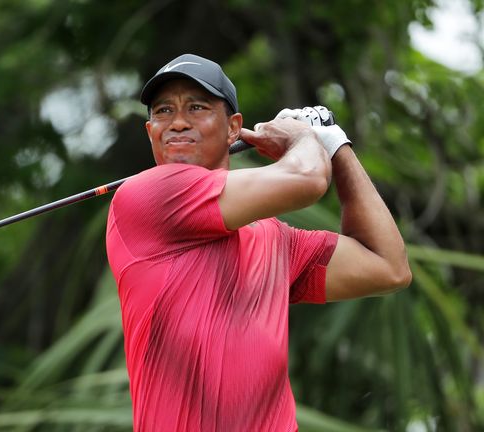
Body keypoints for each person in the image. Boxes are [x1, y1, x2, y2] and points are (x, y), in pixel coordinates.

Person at [105, 53, 412, 431]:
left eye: (196, 107)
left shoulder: (276, 240)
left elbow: (388, 266)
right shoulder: (147, 195)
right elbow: (308, 179)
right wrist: (303, 137)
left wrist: (336, 145)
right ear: (150, 130)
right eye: (163, 111)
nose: (178, 123)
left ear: (234, 128)